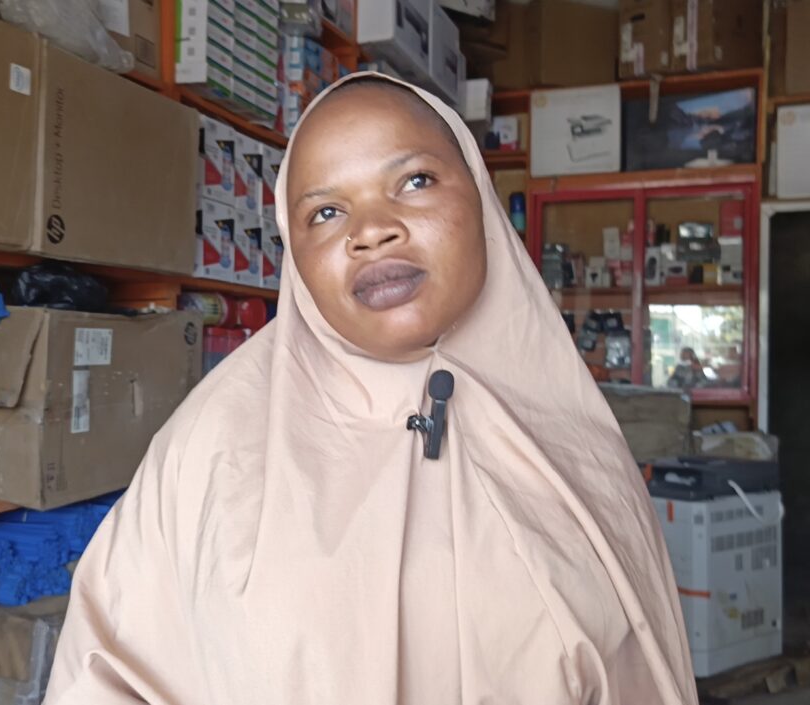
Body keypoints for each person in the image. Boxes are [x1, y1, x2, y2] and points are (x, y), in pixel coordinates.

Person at [44, 74, 698, 704]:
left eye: (413, 181)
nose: (370, 230)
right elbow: (102, 676)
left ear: (480, 197)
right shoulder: (207, 453)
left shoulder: (577, 445)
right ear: (293, 254)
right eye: (326, 211)